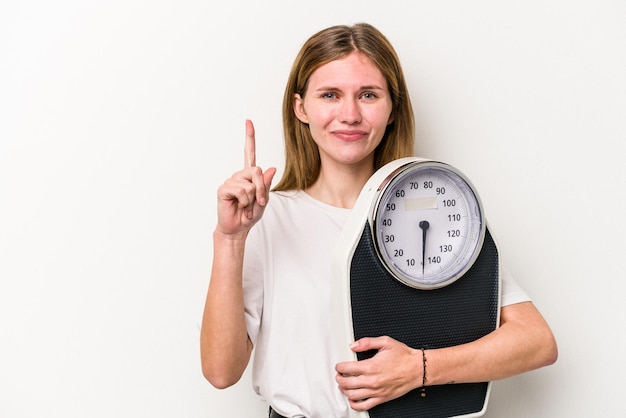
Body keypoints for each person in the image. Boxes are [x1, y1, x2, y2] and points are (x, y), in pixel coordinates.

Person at [200, 23, 558, 418]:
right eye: (330, 95)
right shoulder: (266, 219)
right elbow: (221, 372)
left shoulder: (442, 212)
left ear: (392, 109)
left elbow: (536, 341)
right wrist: (229, 239)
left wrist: (420, 369)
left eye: (368, 95)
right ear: (301, 107)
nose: (350, 115)